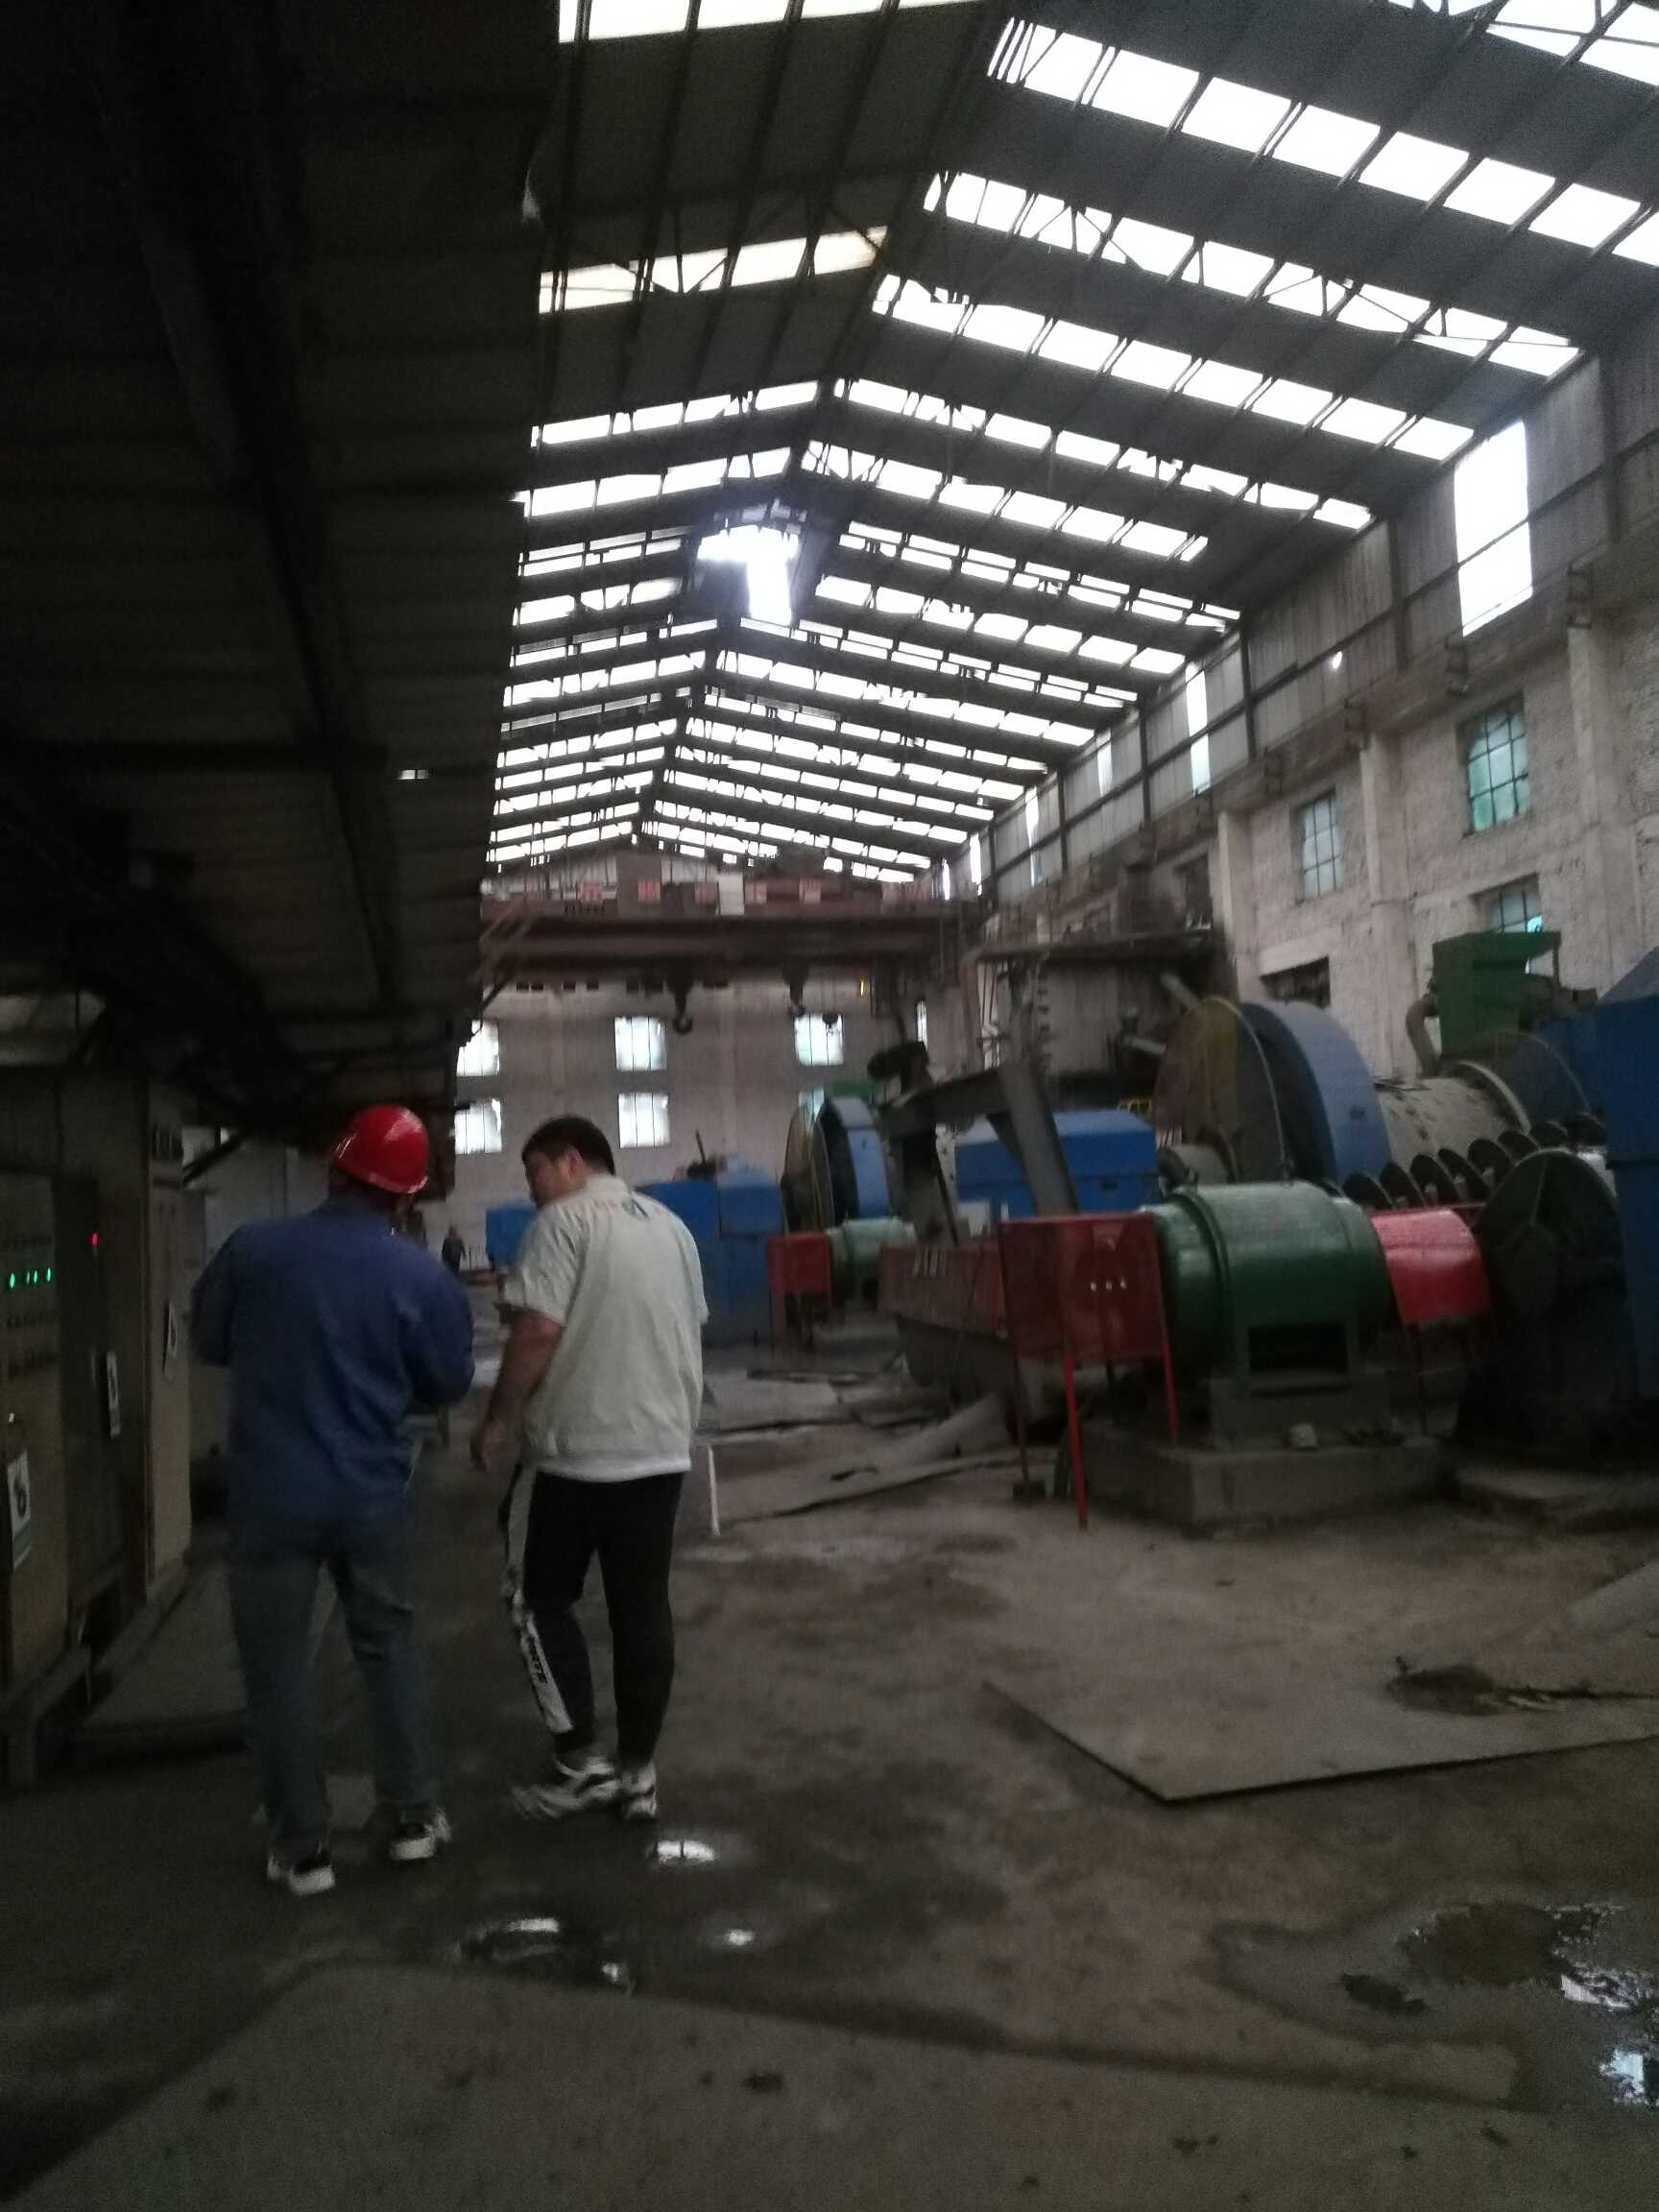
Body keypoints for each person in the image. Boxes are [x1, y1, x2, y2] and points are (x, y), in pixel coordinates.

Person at [191, 1104, 474, 1898]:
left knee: (279, 1669)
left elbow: (208, 1340)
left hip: (271, 1495)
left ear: (333, 1170)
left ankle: (302, 1848)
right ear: (405, 1195)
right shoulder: (421, 1275)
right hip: (371, 1493)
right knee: (389, 1647)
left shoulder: (254, 1250)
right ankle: (414, 1818)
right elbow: (447, 1382)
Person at [471, 1113, 706, 1826]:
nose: (532, 1188)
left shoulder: (561, 1223)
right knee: (642, 1609)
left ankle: (579, 1763)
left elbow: (539, 1330)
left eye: (534, 1171)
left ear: (571, 1160)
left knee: (535, 1597)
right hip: (660, 1450)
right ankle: (638, 1774)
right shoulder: (672, 1229)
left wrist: (499, 1418)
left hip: (576, 1455)